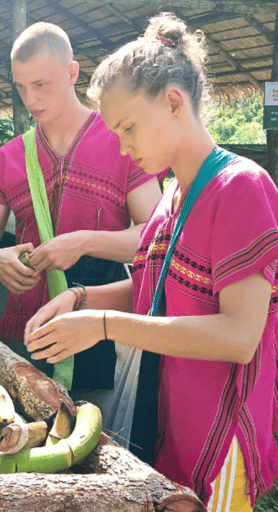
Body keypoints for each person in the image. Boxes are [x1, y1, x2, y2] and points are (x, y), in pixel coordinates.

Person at [24, 13, 278, 510]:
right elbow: (153, 293)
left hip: (218, 436)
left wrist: (102, 324)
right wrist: (80, 299)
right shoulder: (169, 196)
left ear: (174, 103)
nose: (122, 145)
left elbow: (239, 337)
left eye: (128, 127)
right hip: (167, 422)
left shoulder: (241, 188)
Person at [0, 22, 162, 396]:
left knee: (100, 436)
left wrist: (84, 242)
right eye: (21, 87)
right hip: (29, 333)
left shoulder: (123, 142)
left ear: (72, 73)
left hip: (103, 328)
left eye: (41, 84)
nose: (31, 99)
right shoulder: (8, 158)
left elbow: (155, 240)